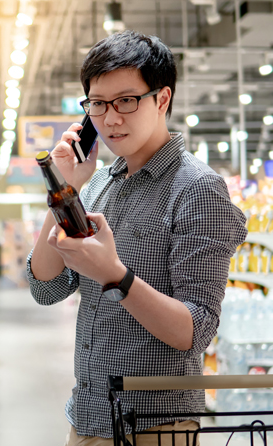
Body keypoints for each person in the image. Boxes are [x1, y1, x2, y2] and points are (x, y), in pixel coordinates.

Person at [27, 30, 247, 446]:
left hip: (154, 427)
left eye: (126, 101)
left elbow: (195, 331)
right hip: (88, 416)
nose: (110, 119)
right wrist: (64, 190)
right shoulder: (96, 187)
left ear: (162, 99)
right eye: (98, 104)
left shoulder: (198, 189)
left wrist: (115, 276)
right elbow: (46, 286)